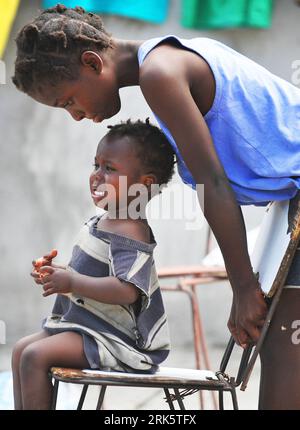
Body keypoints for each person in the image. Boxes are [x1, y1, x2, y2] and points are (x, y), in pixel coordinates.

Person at [12, 4, 300, 409]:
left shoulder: (160, 74)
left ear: (93, 63)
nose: (76, 116)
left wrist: (243, 287)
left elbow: (212, 184)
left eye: (69, 101)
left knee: (283, 345)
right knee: (280, 343)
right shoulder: (165, 60)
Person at [11, 119, 175, 410]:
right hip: (88, 327)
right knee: (21, 350)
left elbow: (127, 290)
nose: (96, 176)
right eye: (95, 165)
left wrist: (72, 283)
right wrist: (59, 275)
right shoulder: (105, 220)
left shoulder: (130, 229)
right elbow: (93, 274)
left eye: (109, 169)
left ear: (144, 183)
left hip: (116, 341)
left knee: (35, 356)